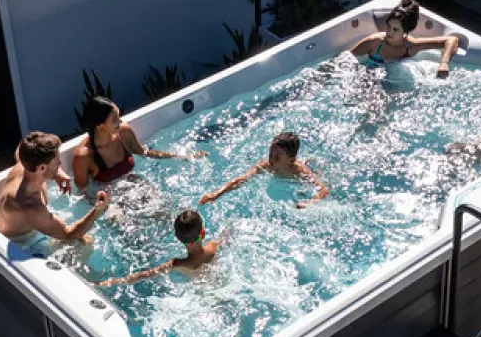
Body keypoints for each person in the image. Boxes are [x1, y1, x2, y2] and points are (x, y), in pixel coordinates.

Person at [0, 131, 109, 244]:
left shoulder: (25, 165)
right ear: (42, 168)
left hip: (31, 223)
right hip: (22, 242)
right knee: (85, 244)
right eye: (57, 161)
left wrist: (57, 173)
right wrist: (97, 210)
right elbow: (68, 234)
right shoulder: (29, 206)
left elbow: (19, 151)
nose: (60, 163)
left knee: (82, 238)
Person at [72, 96, 201, 189]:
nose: (120, 122)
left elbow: (144, 152)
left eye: (119, 116)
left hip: (136, 186)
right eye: (114, 119)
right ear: (99, 125)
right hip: (112, 202)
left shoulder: (123, 132)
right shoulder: (84, 156)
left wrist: (182, 157)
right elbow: (83, 192)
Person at [200, 131, 329, 209]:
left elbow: (323, 189)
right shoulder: (267, 165)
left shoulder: (299, 172)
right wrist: (216, 193)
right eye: (270, 153)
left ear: (291, 160)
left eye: (277, 156)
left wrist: (311, 202)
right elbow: (241, 179)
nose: (272, 158)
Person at [97, 210, 222, 286]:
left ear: (177, 238)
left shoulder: (177, 264)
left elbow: (143, 275)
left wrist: (109, 282)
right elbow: (228, 234)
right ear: (203, 233)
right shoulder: (214, 246)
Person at [348, 0, 461, 77]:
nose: (389, 32)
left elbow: (451, 40)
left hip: (391, 81)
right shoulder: (374, 42)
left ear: (405, 31)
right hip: (368, 78)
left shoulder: (411, 46)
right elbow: (346, 58)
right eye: (388, 26)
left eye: (395, 29)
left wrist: (444, 63)